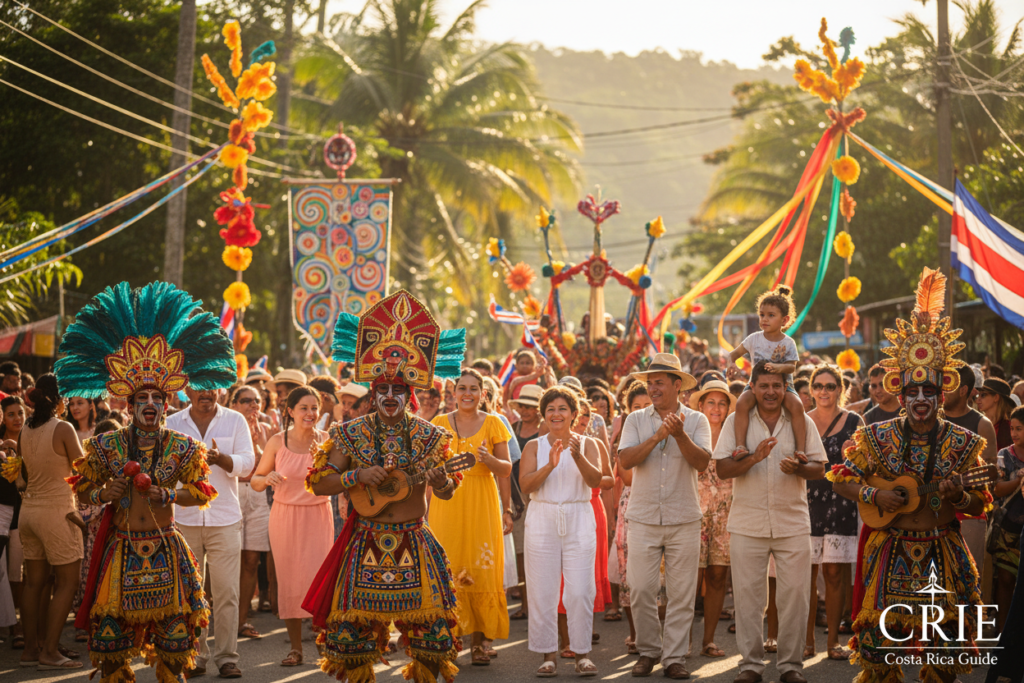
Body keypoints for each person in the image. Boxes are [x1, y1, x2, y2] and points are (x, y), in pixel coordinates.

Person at [53, 281, 233, 683]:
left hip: (168, 551)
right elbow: (80, 487)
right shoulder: (106, 445)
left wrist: (167, 492)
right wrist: (104, 493)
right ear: (128, 404)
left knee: (174, 648)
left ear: (167, 403)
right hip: (121, 553)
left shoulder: (185, 447)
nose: (150, 405)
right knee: (111, 647)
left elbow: (201, 492)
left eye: (156, 398)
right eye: (141, 399)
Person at [828, 268, 990, 683]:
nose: (920, 400)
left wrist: (958, 496)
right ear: (901, 396)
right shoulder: (875, 436)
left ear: (943, 392)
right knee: (880, 657)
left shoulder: (962, 441)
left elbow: (980, 501)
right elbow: (842, 479)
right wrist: (874, 494)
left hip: (943, 552)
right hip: (891, 550)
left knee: (944, 657)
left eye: (929, 392)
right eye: (913, 393)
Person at [304, 290, 466, 683]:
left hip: (415, 539)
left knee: (433, 641)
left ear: (410, 395)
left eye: (398, 391)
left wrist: (442, 480)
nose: (390, 397)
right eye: (382, 391)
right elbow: (319, 484)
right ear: (372, 394)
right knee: (350, 643)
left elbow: (445, 491)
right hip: (366, 539)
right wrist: (354, 477)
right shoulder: (349, 434)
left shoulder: (431, 436)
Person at [713, 360, 827, 683]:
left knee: (794, 597)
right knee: (749, 599)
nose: (771, 392)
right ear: (752, 388)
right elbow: (722, 469)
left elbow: (819, 469)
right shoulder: (738, 421)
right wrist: (753, 459)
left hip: (792, 522)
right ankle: (750, 665)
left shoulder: (800, 421)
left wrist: (798, 469)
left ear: (786, 387)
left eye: (777, 385)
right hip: (747, 523)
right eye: (763, 385)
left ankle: (791, 667)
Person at [618, 353, 711, 679]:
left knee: (682, 593)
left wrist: (679, 435)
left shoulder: (697, 421)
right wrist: (658, 436)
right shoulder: (636, 420)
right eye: (650, 383)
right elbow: (626, 460)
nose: (653, 388)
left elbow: (702, 463)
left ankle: (673, 658)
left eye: (659, 382)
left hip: (684, 516)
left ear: (676, 385)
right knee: (641, 589)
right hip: (642, 516)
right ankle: (647, 651)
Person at [167, 383, 254, 679]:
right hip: (184, 518)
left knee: (227, 591)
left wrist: (222, 459)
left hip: (225, 519)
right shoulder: (172, 423)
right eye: (199, 388)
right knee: (192, 593)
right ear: (187, 391)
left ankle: (227, 657)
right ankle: (196, 656)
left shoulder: (235, 419)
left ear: (221, 389)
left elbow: (247, 463)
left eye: (211, 387)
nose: (206, 393)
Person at [0, 374, 85, 670]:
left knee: (34, 583)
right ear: (60, 400)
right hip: (57, 513)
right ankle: (49, 652)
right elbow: (82, 470)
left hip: (29, 514)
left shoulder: (25, 430)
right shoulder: (62, 428)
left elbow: (21, 477)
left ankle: (30, 652)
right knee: (67, 582)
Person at [519, 386, 604, 676]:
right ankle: (548, 655)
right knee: (543, 590)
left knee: (580, 590)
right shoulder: (534, 446)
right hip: (542, 517)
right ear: (544, 415)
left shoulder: (588, 443)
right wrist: (550, 465)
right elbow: (526, 486)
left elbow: (596, 482)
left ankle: (582, 654)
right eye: (551, 409)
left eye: (562, 409)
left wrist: (576, 456)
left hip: (579, 515)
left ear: (573, 414)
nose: (556, 414)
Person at [431, 368, 512, 665]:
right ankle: (449, 643)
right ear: (453, 393)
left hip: (483, 501)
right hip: (447, 502)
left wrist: (489, 461)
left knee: (482, 569)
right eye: (462, 388)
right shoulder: (439, 423)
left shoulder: (493, 423)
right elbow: (429, 471)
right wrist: (424, 512)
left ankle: (479, 644)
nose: (467, 393)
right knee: (446, 567)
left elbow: (505, 470)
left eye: (473, 389)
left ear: (483, 393)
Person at [250, 386, 333, 666]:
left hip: (318, 516)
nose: (310, 413)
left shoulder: (328, 440)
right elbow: (256, 480)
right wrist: (269, 477)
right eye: (304, 408)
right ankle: (296, 649)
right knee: (289, 581)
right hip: (284, 517)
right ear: (290, 411)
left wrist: (324, 458)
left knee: (319, 581)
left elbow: (338, 478)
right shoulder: (276, 441)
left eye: (314, 408)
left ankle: (324, 645)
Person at [803, 365, 863, 661]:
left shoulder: (854, 420)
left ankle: (833, 643)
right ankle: (807, 641)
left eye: (830, 386)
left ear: (841, 389)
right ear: (812, 389)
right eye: (818, 386)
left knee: (835, 573)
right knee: (807, 575)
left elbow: (866, 463)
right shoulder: (800, 421)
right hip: (806, 502)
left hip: (841, 501)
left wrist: (856, 454)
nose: (824, 391)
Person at [728, 286, 807, 462]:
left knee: (796, 406)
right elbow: (733, 353)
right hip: (756, 385)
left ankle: (801, 449)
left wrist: (779, 368)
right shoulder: (753, 339)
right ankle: (740, 446)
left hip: (784, 385)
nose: (765, 319)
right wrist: (731, 363)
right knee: (741, 403)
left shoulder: (788, 343)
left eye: (771, 315)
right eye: (762, 314)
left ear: (784, 320)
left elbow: (792, 367)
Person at [688, 379, 736, 658]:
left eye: (721, 402)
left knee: (718, 576)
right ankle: (683, 641)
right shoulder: (691, 433)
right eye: (711, 402)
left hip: (726, 514)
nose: (716, 408)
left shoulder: (735, 436)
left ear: (728, 407)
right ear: (702, 405)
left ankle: (708, 640)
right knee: (689, 580)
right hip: (693, 513)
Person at [942, 366, 999, 566]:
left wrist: (961, 490)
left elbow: (990, 476)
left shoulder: (982, 424)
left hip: (969, 515)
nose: (941, 390)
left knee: (967, 584)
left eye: (947, 386)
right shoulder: (931, 418)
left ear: (963, 390)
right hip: (932, 514)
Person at [227, 385, 270, 641]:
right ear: (233, 404)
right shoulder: (227, 427)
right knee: (227, 560)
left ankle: (241, 621)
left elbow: (269, 463)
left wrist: (257, 443)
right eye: (246, 401)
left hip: (257, 495)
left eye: (257, 401)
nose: (253, 405)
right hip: (232, 492)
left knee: (252, 560)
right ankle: (224, 618)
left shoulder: (265, 430)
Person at [615, 382, 652, 654]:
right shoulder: (626, 438)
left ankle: (658, 635)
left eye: (646, 406)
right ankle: (635, 634)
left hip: (663, 504)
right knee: (630, 573)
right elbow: (627, 477)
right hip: (632, 504)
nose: (641, 411)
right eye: (635, 407)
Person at [508, 383, 543, 621]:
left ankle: (542, 608)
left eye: (531, 406)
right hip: (517, 498)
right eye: (522, 405)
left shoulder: (546, 430)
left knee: (540, 554)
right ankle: (526, 607)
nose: (526, 410)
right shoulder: (513, 428)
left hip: (539, 496)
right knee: (520, 553)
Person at [990, 405, 1024, 632]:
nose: (1014, 433)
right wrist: (1019, 481)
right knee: (1004, 580)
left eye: (1020, 429)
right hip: (1007, 529)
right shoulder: (1004, 455)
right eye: (1012, 428)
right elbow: (996, 489)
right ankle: (1002, 633)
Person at [0, 395, 25, 643]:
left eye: (20, 413)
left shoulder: (32, 437)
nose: (17, 418)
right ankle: (9, 623)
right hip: (4, 512)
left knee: (18, 573)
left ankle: (16, 623)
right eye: (11, 414)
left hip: (26, 513)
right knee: (4, 570)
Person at [977, 377, 1015, 450]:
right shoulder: (977, 423)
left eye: (983, 395)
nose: (977, 400)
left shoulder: (1010, 428)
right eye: (978, 395)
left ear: (996, 397)